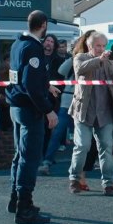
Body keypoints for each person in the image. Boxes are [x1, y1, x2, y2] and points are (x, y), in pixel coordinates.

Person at [5, 10, 58, 224]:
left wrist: (46, 85)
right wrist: (48, 110)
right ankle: (24, 207)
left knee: (20, 155)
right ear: (43, 25)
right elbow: (31, 85)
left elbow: (21, 77)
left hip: (16, 105)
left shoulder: (18, 44)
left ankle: (15, 199)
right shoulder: (33, 48)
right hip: (29, 109)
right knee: (29, 158)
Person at [68, 32, 113, 196]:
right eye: (98, 46)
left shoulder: (107, 62)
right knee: (82, 146)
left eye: (103, 46)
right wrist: (99, 60)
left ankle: (108, 183)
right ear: (90, 46)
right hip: (83, 111)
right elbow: (80, 70)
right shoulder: (80, 57)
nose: (101, 49)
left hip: (105, 111)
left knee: (106, 147)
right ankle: (74, 178)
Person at [38, 37, 78, 175]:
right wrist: (74, 58)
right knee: (58, 132)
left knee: (85, 135)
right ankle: (47, 161)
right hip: (67, 101)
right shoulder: (71, 60)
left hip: (85, 102)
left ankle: (85, 164)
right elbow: (61, 71)